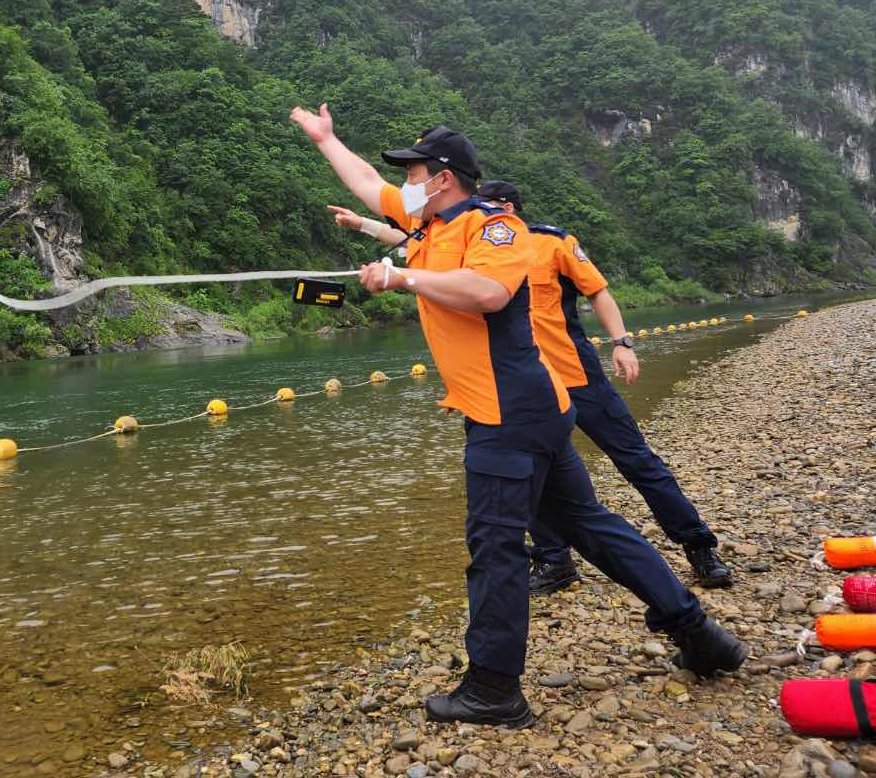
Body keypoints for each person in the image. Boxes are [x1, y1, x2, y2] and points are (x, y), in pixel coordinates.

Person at [290, 105, 746, 728]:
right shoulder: (425, 221)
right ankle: (698, 634)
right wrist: (326, 140)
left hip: (508, 414)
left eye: (415, 171)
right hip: (532, 408)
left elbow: (490, 293)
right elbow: (368, 183)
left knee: (496, 547)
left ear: (444, 177)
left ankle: (493, 688)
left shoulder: (495, 227)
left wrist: (402, 281)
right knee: (587, 523)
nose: (406, 181)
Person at [475, 179, 734, 594]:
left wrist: (622, 343)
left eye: (482, 204)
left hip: (576, 376)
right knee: (531, 471)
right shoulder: (477, 252)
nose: (474, 212)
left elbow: (597, 292)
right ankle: (554, 560)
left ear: (506, 208)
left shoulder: (552, 243)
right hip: (525, 384)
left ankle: (698, 545)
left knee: (635, 458)